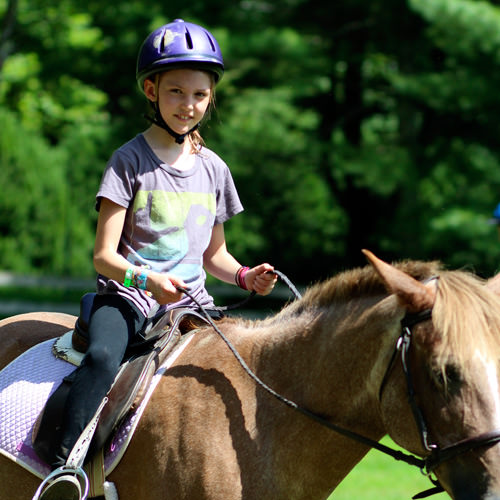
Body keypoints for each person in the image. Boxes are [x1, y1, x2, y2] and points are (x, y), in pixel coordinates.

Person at [38, 19, 276, 500]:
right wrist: (148, 281)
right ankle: (63, 466)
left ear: (211, 98)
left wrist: (248, 276)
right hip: (128, 299)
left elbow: (216, 256)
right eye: (176, 92)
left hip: (193, 305)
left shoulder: (214, 168)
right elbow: (104, 256)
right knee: (103, 358)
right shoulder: (127, 161)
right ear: (152, 90)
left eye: (199, 95)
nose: (188, 105)